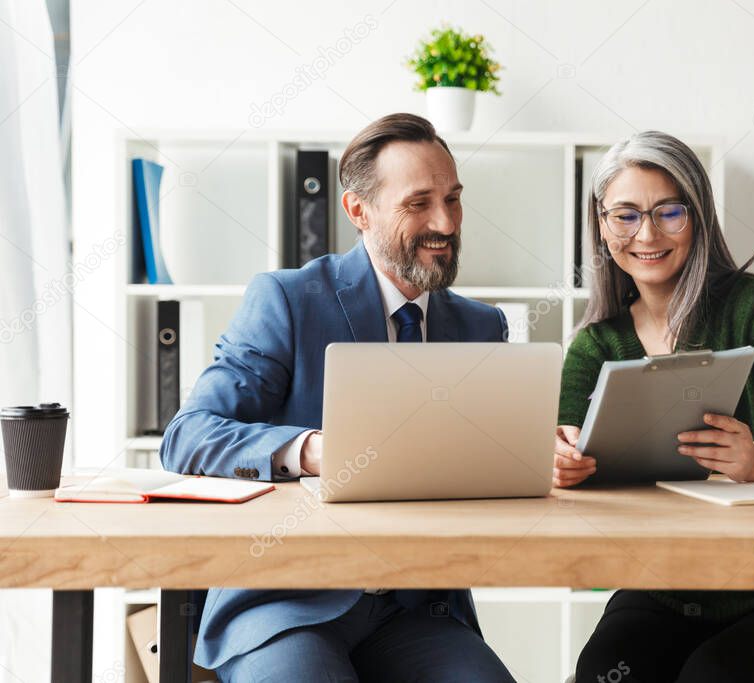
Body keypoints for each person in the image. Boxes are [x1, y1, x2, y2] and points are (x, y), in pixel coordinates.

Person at [161, 113, 515, 683]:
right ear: (358, 211)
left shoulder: (481, 327)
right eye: (418, 203)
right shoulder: (289, 299)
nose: (445, 222)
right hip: (286, 603)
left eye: (453, 199)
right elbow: (188, 434)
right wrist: (310, 450)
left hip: (418, 611)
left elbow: (488, 464)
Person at [554, 131, 754, 682]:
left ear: (699, 217)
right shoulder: (595, 345)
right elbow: (560, 447)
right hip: (666, 589)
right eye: (627, 215)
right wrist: (558, 462)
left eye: (669, 212)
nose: (648, 234)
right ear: (602, 224)